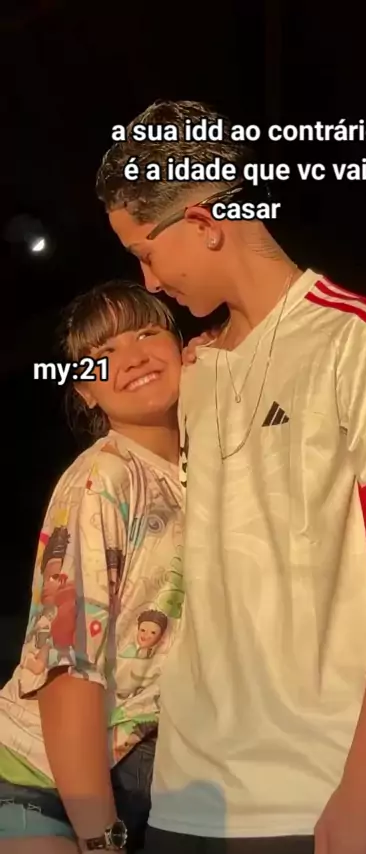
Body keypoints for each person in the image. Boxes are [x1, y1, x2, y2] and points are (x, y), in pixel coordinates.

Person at [96, 100, 366, 854]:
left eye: (145, 253)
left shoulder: (358, 337)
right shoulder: (199, 369)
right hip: (191, 795)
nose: (147, 280)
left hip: (318, 789)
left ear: (203, 222)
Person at [0, 280, 185, 854]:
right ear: (85, 389)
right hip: (42, 780)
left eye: (147, 333)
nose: (132, 357)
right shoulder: (101, 480)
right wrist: (101, 838)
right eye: (103, 354)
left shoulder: (202, 468)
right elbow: (67, 667)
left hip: (146, 780)